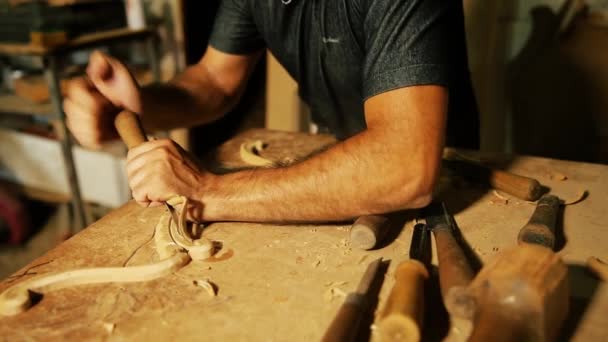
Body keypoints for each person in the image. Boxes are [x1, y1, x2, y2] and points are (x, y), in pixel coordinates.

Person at [65, 0, 479, 223]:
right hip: (344, 160)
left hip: (447, 178)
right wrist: (142, 105)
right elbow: (214, 80)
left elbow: (402, 165)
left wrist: (208, 191)